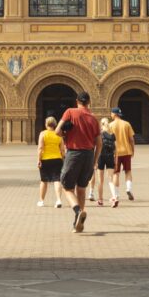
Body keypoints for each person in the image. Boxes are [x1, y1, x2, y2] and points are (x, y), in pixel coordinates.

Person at [56, 91, 102, 233]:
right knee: (81, 188)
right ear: (89, 102)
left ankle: (77, 211)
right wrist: (94, 160)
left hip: (74, 153)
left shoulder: (70, 112)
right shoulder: (94, 119)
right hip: (88, 155)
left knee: (66, 187)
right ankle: (79, 223)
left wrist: (65, 134)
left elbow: (57, 131)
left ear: (77, 101)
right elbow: (99, 143)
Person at [37, 117, 65, 208]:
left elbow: (40, 148)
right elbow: (62, 149)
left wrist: (39, 160)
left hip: (45, 159)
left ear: (46, 124)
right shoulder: (59, 134)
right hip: (57, 159)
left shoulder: (43, 134)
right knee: (57, 180)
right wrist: (63, 159)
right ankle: (58, 200)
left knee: (44, 181)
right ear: (55, 124)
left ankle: (41, 201)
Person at [110, 107, 137, 201]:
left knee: (116, 173)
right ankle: (128, 189)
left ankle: (116, 195)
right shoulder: (126, 124)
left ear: (114, 114)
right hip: (127, 151)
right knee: (128, 171)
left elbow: (109, 140)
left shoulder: (110, 125)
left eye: (111, 113)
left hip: (116, 153)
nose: (111, 115)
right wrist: (133, 150)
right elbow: (131, 139)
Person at [94, 117, 119, 207]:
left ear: (101, 124)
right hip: (110, 157)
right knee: (110, 179)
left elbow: (96, 147)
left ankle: (100, 200)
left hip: (101, 157)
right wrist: (116, 161)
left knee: (100, 181)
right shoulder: (113, 135)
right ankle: (114, 197)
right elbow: (116, 150)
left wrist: (95, 161)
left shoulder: (100, 134)